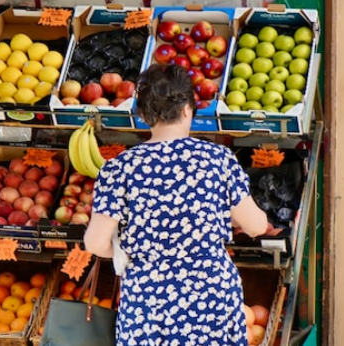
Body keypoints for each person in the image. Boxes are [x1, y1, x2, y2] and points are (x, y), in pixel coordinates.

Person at [84, 63, 269, 346]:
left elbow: (95, 243)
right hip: (211, 297)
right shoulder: (217, 159)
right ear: (187, 110)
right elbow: (256, 226)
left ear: (144, 115)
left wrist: (131, 250)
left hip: (148, 299)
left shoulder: (119, 168)